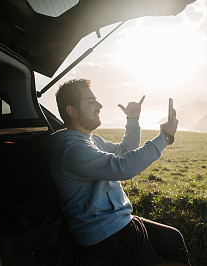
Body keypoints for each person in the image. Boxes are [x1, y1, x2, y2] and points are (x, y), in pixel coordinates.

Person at [48, 79, 189, 265]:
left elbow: (124, 151)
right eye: (91, 102)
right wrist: (165, 137)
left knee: (172, 239)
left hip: (118, 223)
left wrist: (132, 120)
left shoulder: (89, 140)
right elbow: (123, 167)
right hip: (107, 235)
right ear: (72, 111)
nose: (99, 105)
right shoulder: (71, 149)